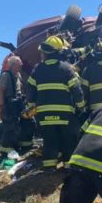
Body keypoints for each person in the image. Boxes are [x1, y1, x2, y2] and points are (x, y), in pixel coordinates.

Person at [27, 35, 85, 170]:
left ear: (45, 53)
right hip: (65, 115)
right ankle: (68, 168)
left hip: (44, 115)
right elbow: (77, 91)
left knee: (49, 141)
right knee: (69, 140)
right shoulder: (67, 69)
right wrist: (81, 108)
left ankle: (49, 168)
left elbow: (30, 92)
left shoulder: (37, 69)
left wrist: (33, 109)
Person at [0, 56, 34, 156]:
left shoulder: (18, 75)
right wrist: (2, 105)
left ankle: (23, 145)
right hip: (8, 105)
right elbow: (0, 90)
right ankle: (5, 151)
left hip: (18, 104)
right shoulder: (6, 75)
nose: (21, 65)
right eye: (19, 64)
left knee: (27, 122)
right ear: (13, 65)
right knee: (9, 127)